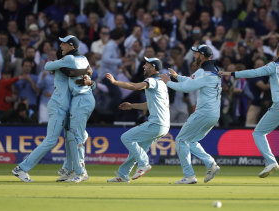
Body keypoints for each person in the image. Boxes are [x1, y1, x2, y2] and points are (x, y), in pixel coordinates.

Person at [220, 42, 279, 185]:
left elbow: (253, 72)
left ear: (277, 53)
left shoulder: (273, 66)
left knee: (258, 132)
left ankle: (271, 161)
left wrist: (230, 73)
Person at [12, 35, 94, 183]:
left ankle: (69, 170)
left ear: (70, 47)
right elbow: (48, 66)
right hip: (58, 106)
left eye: (63, 44)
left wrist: (87, 76)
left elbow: (82, 71)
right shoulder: (69, 62)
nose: (60, 46)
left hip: (65, 106)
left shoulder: (70, 61)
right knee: (52, 140)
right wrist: (86, 74)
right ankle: (21, 168)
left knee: (73, 137)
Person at [160, 44, 221, 184]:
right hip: (213, 114)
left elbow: (186, 88)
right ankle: (210, 163)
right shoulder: (213, 70)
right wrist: (177, 77)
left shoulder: (202, 72)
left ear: (203, 56)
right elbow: (191, 81)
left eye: (197, 54)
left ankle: (189, 176)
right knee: (191, 141)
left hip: (203, 113)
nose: (194, 56)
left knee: (181, 140)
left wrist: (168, 82)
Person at [106, 57, 170, 183]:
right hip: (163, 125)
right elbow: (149, 105)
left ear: (153, 68)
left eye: (147, 64)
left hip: (156, 123)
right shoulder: (162, 83)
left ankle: (144, 163)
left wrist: (115, 82)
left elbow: (134, 86)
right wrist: (132, 106)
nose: (144, 66)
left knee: (126, 137)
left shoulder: (152, 80)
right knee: (136, 150)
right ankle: (123, 175)